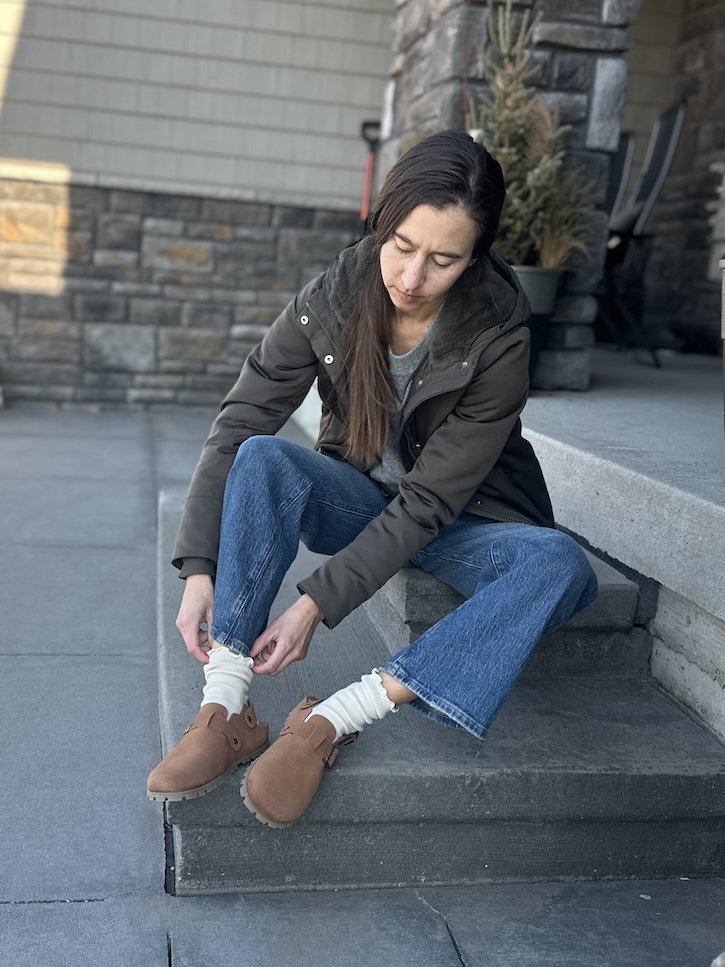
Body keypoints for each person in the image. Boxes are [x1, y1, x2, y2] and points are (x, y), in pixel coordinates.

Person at [147, 130, 598, 827]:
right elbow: (241, 421)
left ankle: (329, 719)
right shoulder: (333, 294)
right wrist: (198, 565)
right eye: (401, 246)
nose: (412, 278)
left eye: (443, 259)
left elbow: (430, 502)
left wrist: (312, 605)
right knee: (263, 457)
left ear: (475, 257)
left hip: (464, 520)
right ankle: (225, 702)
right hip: (358, 497)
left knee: (560, 564)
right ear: (381, 224)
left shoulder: (497, 332)